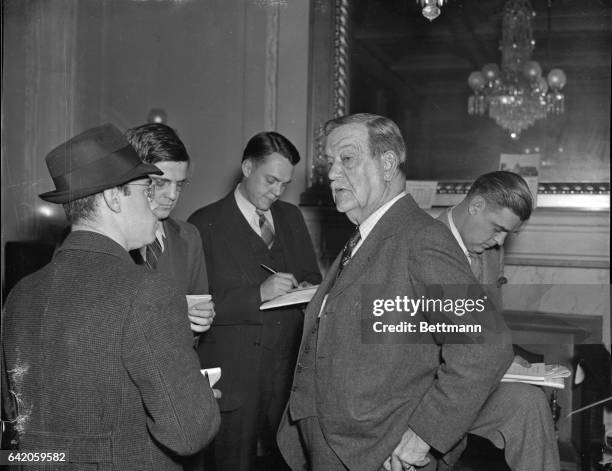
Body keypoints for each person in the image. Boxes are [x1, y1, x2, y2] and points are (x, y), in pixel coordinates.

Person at [277, 113, 516, 471]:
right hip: (338, 444)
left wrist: (424, 435)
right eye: (330, 161)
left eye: (347, 158)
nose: (331, 173)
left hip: (375, 451)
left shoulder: (421, 238)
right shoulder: (368, 234)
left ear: (387, 164)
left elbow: (485, 348)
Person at [1, 124, 220, 470]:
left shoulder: (21, 294)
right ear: (113, 197)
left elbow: (15, 422)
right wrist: (200, 397)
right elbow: (189, 431)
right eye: (145, 187)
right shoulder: (147, 290)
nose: (155, 202)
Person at [188, 131, 322, 471]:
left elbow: (313, 276)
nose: (277, 192)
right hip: (235, 382)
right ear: (247, 167)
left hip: (286, 379)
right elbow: (193, 307)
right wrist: (257, 295)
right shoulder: (204, 224)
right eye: (271, 181)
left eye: (284, 184)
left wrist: (307, 287)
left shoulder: (291, 217)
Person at [436, 170, 560, 470]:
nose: (499, 241)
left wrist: (508, 361)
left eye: (508, 234)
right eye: (497, 228)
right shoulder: (420, 239)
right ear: (476, 205)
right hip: (428, 386)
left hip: (474, 380)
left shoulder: (490, 250)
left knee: (529, 403)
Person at [125, 123, 214, 334]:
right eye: (160, 183)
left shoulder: (189, 237)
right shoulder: (102, 236)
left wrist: (200, 320)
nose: (172, 195)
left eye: (180, 184)